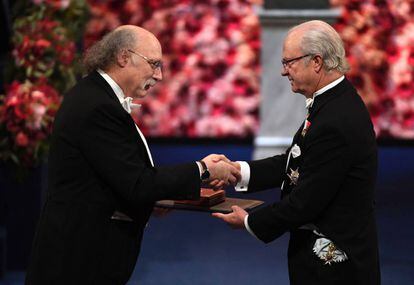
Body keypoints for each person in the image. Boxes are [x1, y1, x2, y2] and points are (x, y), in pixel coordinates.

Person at [25, 25, 240, 285]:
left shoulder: (97, 97)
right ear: (124, 57)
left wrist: (161, 197)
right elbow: (138, 183)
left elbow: (119, 176)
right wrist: (202, 170)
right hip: (77, 259)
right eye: (154, 64)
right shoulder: (97, 106)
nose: (159, 75)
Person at [213, 20, 380, 285]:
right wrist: (239, 171)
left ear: (316, 62)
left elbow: (305, 203)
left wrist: (250, 222)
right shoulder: (333, 103)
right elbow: (298, 161)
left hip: (335, 270)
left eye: (289, 62)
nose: (283, 71)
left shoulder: (337, 119)